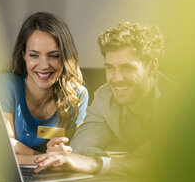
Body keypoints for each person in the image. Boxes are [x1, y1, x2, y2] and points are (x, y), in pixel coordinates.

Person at [34, 21, 168, 174]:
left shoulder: (180, 100)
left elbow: (171, 162)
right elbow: (81, 151)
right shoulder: (105, 97)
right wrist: (131, 162)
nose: (117, 78)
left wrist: (98, 164)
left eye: (127, 67)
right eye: (110, 68)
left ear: (152, 67)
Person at [0, 12, 88, 164]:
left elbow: (74, 154)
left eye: (53, 55)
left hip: (56, 179)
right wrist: (42, 158)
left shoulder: (77, 95)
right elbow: (3, 153)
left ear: (65, 57)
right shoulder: (4, 86)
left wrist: (58, 155)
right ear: (24, 56)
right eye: (34, 55)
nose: (44, 65)